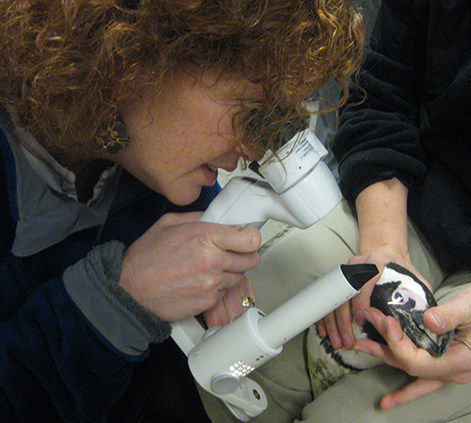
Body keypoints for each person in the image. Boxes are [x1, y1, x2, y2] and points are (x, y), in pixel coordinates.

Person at [200, 0, 471, 422]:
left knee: (349, 417)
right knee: (229, 359)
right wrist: (383, 248)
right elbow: (381, 92)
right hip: (406, 197)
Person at [0, 1, 365, 422]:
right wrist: (116, 301)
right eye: (249, 109)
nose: (252, 150)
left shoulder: (155, 167)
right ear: (131, 53)